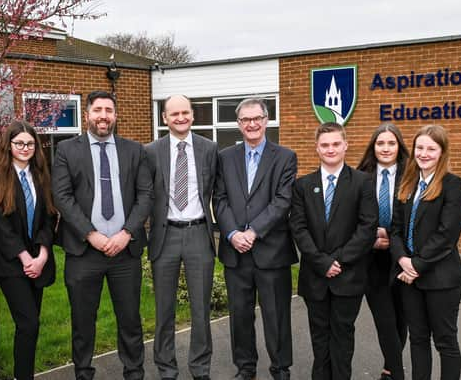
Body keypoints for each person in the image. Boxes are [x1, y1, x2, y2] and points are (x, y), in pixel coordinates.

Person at [52, 90, 153, 380]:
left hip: (125, 252)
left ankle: (134, 373)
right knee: (83, 323)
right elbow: (62, 195)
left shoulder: (134, 150)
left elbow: (145, 195)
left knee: (130, 321)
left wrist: (127, 233)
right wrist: (90, 234)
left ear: (116, 115)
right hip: (84, 253)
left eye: (109, 110)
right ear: (87, 114)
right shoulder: (67, 150)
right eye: (98, 110)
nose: (103, 116)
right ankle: (83, 373)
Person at [213, 97, 297, 380]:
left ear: (266, 120)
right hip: (235, 252)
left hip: (271, 252)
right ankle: (245, 368)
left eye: (257, 118)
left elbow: (283, 201)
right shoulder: (224, 157)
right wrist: (233, 233)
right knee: (240, 316)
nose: (252, 124)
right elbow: (219, 199)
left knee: (277, 316)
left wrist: (253, 232)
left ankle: (280, 368)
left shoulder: (285, 157)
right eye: (245, 120)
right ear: (238, 124)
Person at [290, 121, 377, 380]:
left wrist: (337, 261)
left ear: (345, 145)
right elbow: (299, 227)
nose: (330, 149)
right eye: (325, 145)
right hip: (315, 276)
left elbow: (367, 228)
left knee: (342, 335)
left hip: (347, 275)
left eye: (336, 144)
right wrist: (321, 262)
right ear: (316, 148)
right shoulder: (302, 185)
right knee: (319, 336)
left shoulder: (362, 182)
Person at [145, 95, 217, 380]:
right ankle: (166, 369)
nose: (180, 118)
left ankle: (200, 369)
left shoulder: (209, 149)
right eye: (174, 113)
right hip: (165, 236)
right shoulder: (150, 151)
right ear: (165, 118)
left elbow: (217, 190)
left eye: (185, 112)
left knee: (201, 310)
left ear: (192, 115)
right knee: (164, 309)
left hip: (199, 232)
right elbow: (144, 194)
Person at [0, 120, 57, 380]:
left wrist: (43, 254)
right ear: (8, 145)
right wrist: (25, 257)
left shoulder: (41, 175)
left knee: (30, 327)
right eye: (19, 143)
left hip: (38, 260)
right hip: (9, 262)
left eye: (30, 144)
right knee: (28, 322)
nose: (25, 148)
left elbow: (49, 216)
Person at [390, 125, 461, 380]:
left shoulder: (453, 185)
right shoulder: (408, 183)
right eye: (419, 148)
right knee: (418, 339)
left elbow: (447, 235)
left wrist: (416, 266)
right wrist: (402, 259)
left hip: (441, 278)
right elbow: (396, 229)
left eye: (431, 149)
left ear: (442, 152)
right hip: (409, 277)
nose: (424, 153)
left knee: (445, 341)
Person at [357, 123, 409, 380]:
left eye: (391, 143)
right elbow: (352, 217)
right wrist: (371, 237)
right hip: (372, 258)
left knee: (402, 317)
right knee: (384, 318)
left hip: (402, 258)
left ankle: (390, 368)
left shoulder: (412, 174)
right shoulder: (361, 175)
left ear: (399, 146)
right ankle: (397, 373)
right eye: (380, 143)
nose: (385, 148)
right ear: (373, 147)